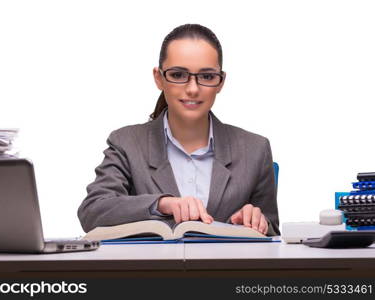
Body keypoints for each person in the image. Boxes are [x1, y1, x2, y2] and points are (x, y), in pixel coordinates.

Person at [78, 24, 280, 236]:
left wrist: (258, 220)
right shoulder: (126, 143)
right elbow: (93, 211)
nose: (193, 89)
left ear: (221, 82)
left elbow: (274, 233)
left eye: (207, 77)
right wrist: (161, 204)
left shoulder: (256, 149)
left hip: (226, 269)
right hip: (149, 268)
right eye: (177, 75)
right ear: (159, 78)